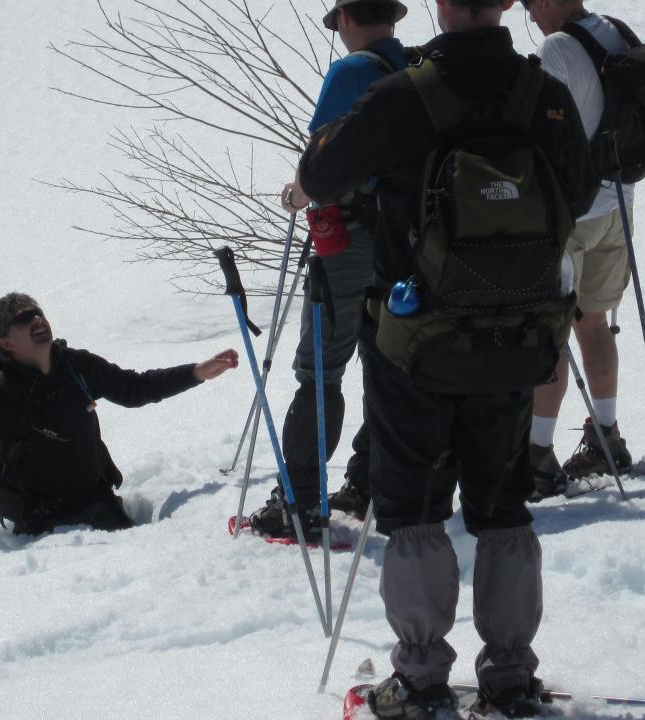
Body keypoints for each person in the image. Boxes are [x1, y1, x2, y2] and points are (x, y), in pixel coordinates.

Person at [297, 0, 597, 716]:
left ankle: (424, 677)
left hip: (415, 342)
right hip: (516, 336)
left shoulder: (406, 95)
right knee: (503, 503)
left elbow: (321, 174)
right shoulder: (542, 96)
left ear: (440, 5)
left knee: (416, 507)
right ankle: (510, 673)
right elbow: (580, 191)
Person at [247, 0, 411, 538]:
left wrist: (298, 193)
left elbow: (321, 161)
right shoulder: (412, 69)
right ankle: (370, 481)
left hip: (350, 239)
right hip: (405, 241)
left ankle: (300, 500)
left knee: (319, 368)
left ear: (344, 19)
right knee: (386, 362)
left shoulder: (351, 72)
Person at [0, 292, 239, 535]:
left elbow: (134, 388)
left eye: (38, 312)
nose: (37, 319)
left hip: (99, 504)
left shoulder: (74, 365)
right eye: (24, 318)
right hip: (43, 527)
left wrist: (196, 373)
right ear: (6, 343)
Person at [520, 0, 637, 498]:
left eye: (529, 5)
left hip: (572, 211)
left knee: (553, 333)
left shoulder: (558, 47)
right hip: (619, 205)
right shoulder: (615, 32)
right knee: (594, 322)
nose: (530, 16)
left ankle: (537, 454)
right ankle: (606, 435)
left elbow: (541, 132)